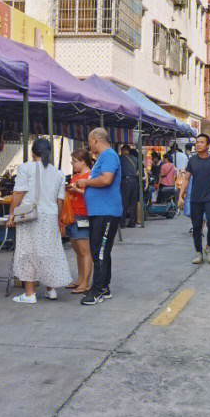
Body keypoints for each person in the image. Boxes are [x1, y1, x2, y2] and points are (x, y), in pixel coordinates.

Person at [8, 138, 69, 304]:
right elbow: (60, 201)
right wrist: (56, 220)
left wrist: (11, 214)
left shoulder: (26, 168)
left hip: (30, 215)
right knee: (48, 252)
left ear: (33, 152)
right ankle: (51, 289)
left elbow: (19, 193)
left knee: (28, 252)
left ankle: (30, 293)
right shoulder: (58, 173)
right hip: (50, 216)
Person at [76, 128, 122, 306]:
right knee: (101, 250)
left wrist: (86, 182)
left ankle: (95, 292)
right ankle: (104, 287)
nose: (88, 145)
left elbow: (106, 180)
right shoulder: (103, 157)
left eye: (89, 141)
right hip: (99, 211)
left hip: (106, 212)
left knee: (100, 251)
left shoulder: (109, 156)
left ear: (96, 140)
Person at [177, 133, 210, 264]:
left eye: (201, 142)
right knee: (196, 226)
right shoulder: (192, 161)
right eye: (197, 142)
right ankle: (198, 252)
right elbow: (186, 179)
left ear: (207, 145)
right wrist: (181, 196)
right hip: (195, 199)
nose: (197, 144)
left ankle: (209, 248)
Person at [63, 148, 94, 294]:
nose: (73, 164)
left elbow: (92, 194)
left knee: (84, 250)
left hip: (83, 215)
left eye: (74, 161)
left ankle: (85, 283)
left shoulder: (90, 176)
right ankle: (80, 279)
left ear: (83, 161)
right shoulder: (75, 176)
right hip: (72, 215)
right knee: (77, 250)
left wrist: (76, 191)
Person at [119, 144, 140, 228]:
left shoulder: (121, 158)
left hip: (125, 181)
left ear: (123, 150)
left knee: (124, 202)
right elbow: (138, 171)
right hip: (135, 181)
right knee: (133, 202)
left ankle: (122, 222)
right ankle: (132, 222)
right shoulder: (136, 158)